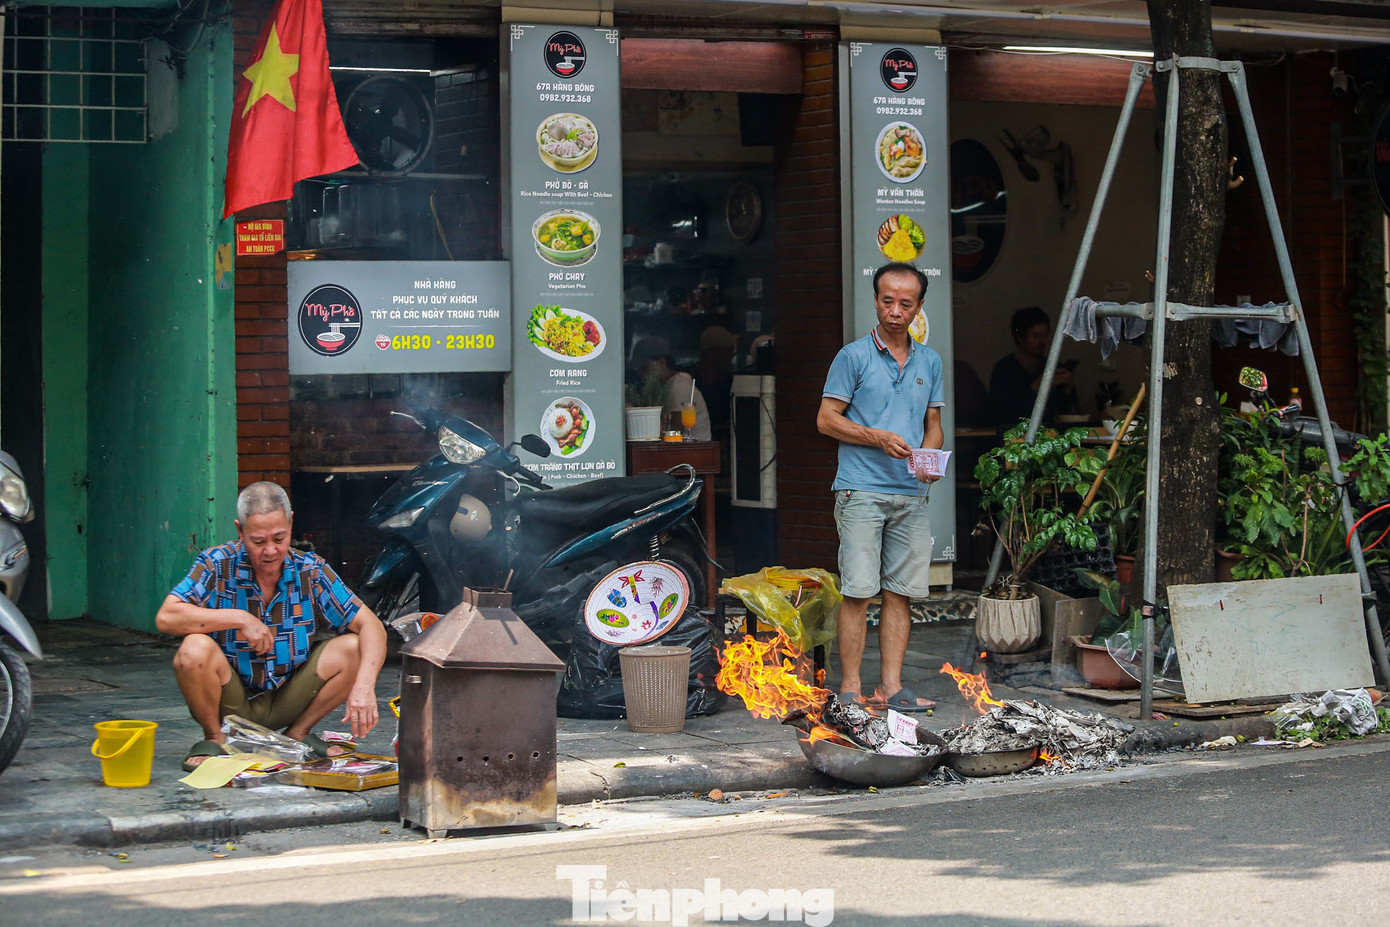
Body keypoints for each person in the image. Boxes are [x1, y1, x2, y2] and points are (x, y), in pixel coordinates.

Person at [156, 481, 387, 771]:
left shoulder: (310, 569)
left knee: (354, 647)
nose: (270, 551)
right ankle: (214, 738)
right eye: (258, 541)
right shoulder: (217, 564)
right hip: (230, 700)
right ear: (240, 531)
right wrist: (239, 618)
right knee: (193, 649)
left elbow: (372, 626)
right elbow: (167, 617)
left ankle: (297, 734)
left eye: (279, 538)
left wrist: (365, 687)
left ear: (291, 523)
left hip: (289, 696)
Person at [816, 262, 944, 713]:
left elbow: (933, 424)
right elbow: (826, 420)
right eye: (887, 301)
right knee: (858, 590)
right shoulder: (852, 357)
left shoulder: (930, 361)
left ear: (919, 307)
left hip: (911, 493)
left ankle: (891, 686)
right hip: (861, 490)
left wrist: (929, 457)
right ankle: (851, 688)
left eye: (905, 304)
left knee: (899, 592)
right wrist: (878, 438)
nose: (895, 311)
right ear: (875, 300)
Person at [989, 305, 1077, 433]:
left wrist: (1068, 390)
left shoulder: (1051, 365)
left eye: (1045, 336)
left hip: (1050, 435)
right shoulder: (1004, 370)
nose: (1041, 342)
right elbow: (1003, 414)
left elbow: (1067, 413)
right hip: (1014, 436)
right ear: (1020, 338)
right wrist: (1037, 387)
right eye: (1035, 336)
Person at [629, 335, 712, 441]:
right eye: (639, 369)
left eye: (645, 367)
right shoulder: (667, 385)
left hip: (694, 448)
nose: (642, 373)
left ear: (661, 362)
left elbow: (675, 432)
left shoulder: (679, 386)